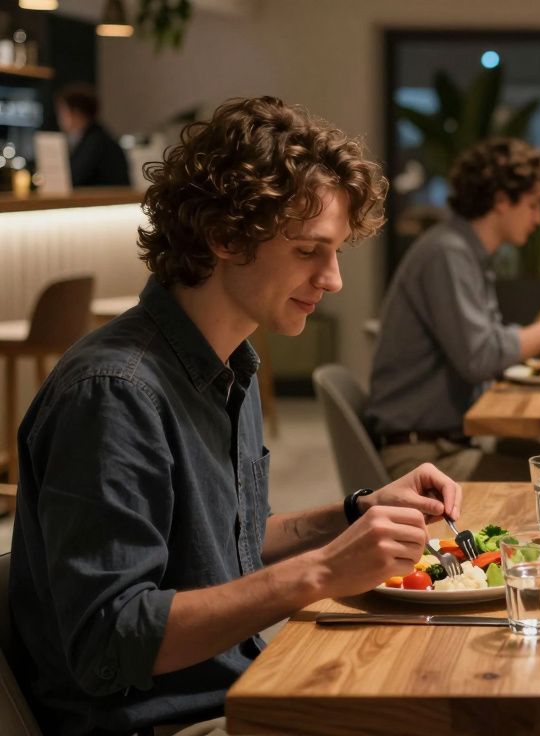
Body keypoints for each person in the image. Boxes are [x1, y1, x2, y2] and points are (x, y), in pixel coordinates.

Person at [9, 97, 463, 736]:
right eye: (310, 250)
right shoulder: (115, 393)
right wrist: (323, 572)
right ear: (225, 236)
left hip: (239, 690)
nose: (331, 279)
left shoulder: (229, 366)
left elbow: (223, 543)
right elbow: (108, 642)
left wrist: (352, 513)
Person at [366, 138, 540, 481]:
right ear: (501, 200)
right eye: (534, 205)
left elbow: (486, 345)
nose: (539, 219)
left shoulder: (463, 250)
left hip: (448, 443)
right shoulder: (447, 253)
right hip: (422, 459)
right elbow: (480, 357)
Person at [55, 82, 131, 187]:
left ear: (76, 113)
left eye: (63, 111)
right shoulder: (97, 136)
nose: (60, 118)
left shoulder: (95, 142)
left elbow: (74, 178)